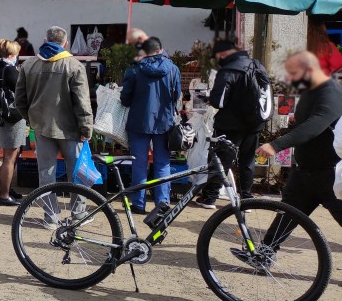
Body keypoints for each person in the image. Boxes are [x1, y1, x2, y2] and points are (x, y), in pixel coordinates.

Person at [258, 51, 342, 227]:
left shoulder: (331, 92)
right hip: (304, 172)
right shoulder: (311, 92)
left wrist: (276, 145)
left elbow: (315, 125)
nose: (291, 78)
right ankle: (265, 252)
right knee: (285, 216)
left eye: (294, 73)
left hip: (329, 174)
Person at [15, 26, 93, 190]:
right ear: (66, 44)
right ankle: (79, 214)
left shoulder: (28, 64)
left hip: (41, 127)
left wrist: (31, 119)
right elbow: (82, 102)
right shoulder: (75, 66)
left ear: (45, 41)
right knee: (77, 174)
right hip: (71, 130)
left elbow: (19, 100)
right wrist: (86, 129)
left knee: (45, 174)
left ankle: (50, 215)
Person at [196, 40, 268, 208]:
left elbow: (219, 102)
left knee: (221, 160)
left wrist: (208, 99)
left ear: (222, 54)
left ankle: (210, 197)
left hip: (230, 125)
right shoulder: (257, 66)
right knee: (248, 161)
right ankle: (246, 199)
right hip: (255, 123)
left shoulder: (229, 70)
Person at [120, 37, 181, 214]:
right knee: (162, 164)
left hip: (139, 122)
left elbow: (125, 99)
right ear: (160, 50)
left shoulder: (134, 70)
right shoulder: (172, 69)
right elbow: (176, 95)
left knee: (139, 163)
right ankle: (162, 203)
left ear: (144, 52)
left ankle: (138, 204)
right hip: (164, 122)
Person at [0, 39, 27, 206]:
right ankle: (4, 195)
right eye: (16, 54)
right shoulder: (9, 70)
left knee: (12, 155)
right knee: (9, 157)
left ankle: (8, 189)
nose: (17, 57)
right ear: (10, 55)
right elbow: (23, 90)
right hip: (11, 117)